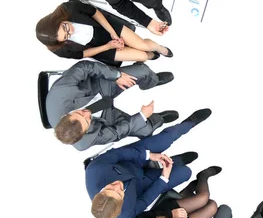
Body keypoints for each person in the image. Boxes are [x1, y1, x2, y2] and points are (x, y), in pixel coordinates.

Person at [85, 109, 212, 218]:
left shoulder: (94, 170)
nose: (118, 185)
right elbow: (145, 201)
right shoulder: (123, 216)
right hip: (143, 183)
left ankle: (189, 123)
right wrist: (164, 177)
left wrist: (148, 155)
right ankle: (177, 160)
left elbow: (119, 153)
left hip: (133, 158)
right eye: (119, 193)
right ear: (120, 205)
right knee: (185, 173)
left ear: (100, 192)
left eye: (110, 187)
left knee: (166, 139)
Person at [46, 60, 176, 151]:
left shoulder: (60, 92)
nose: (87, 114)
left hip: (101, 86)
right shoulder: (84, 142)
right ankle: (159, 119)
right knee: (145, 129)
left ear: (67, 114)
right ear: (85, 132)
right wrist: (142, 116)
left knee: (143, 71)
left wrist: (116, 76)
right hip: (106, 117)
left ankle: (152, 81)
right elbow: (116, 133)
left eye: (80, 113)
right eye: (87, 121)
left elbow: (84, 67)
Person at [36, 0, 173, 65]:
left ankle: (159, 48)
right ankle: (149, 55)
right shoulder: (58, 49)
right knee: (142, 56)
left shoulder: (68, 8)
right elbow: (83, 53)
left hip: (104, 27)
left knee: (142, 45)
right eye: (66, 36)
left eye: (65, 27)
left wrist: (112, 33)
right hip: (100, 48)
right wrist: (109, 46)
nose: (70, 32)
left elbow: (95, 12)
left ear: (58, 19)